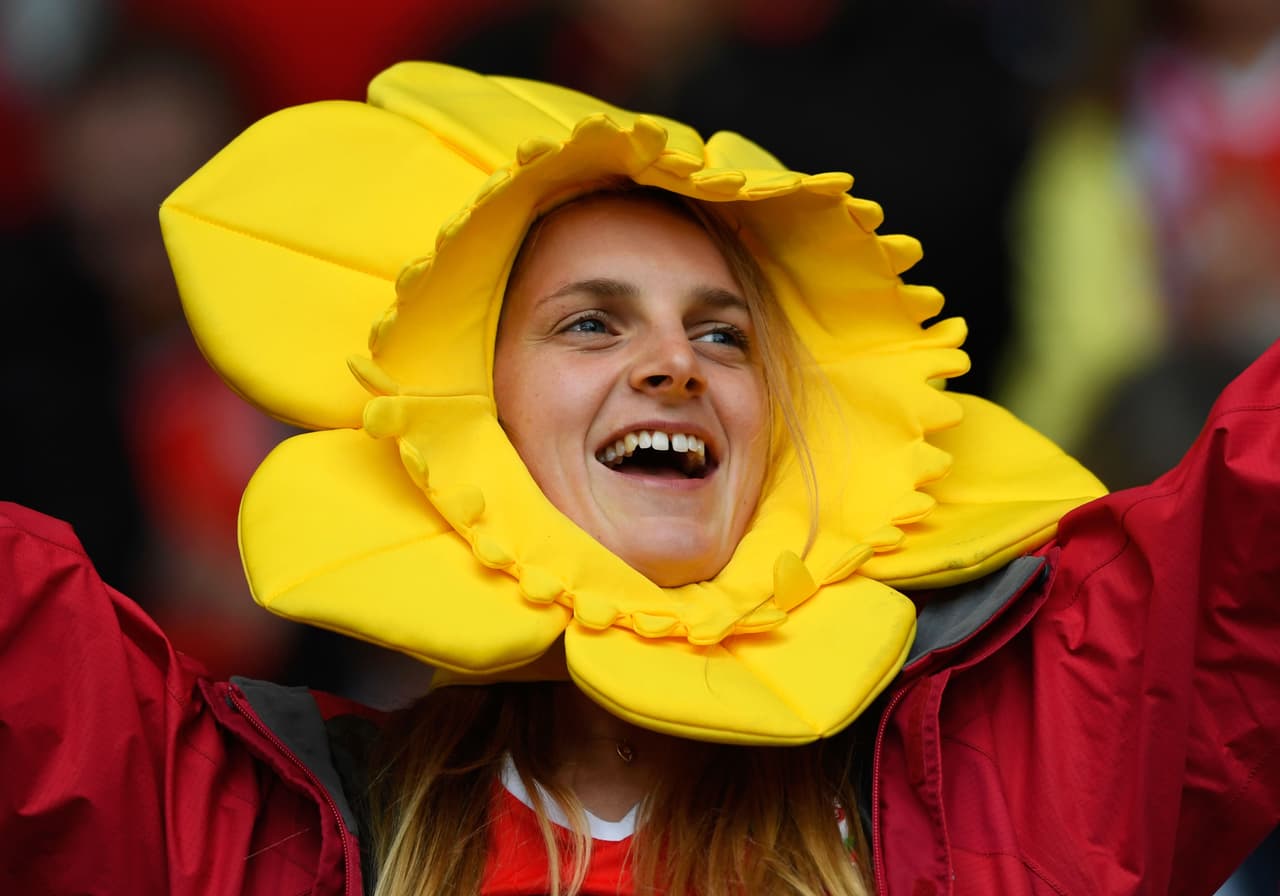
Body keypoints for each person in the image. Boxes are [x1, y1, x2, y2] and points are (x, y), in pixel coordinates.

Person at [2, 61, 1277, 895]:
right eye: (591, 324)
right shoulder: (266, 829)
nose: (673, 361)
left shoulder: (1002, 767)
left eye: (723, 334)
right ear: (469, 424)